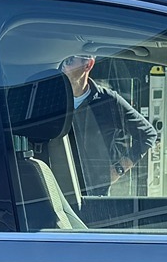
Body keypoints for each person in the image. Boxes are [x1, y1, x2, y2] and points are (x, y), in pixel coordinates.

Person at [59, 51, 159, 196]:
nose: (63, 66)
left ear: (88, 65)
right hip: (54, 187)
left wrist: (119, 168)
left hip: (93, 193)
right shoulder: (51, 97)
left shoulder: (108, 101)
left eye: (69, 60)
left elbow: (148, 134)